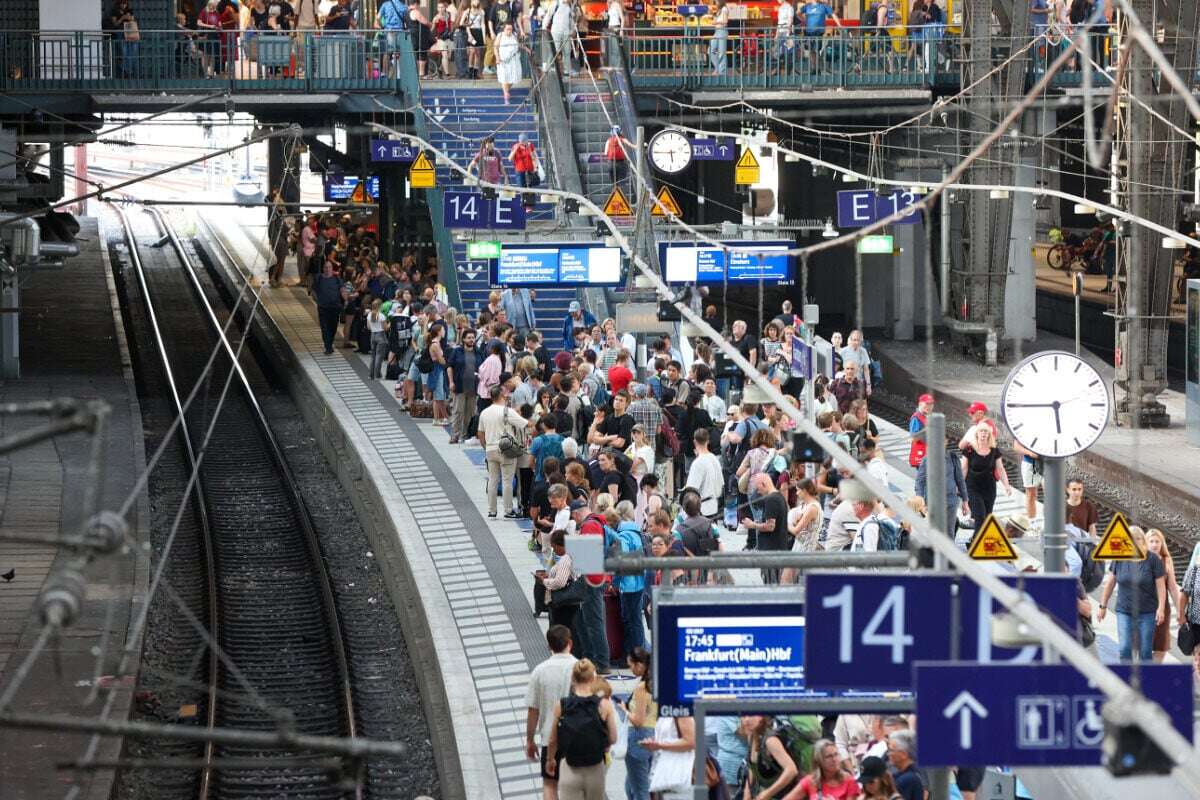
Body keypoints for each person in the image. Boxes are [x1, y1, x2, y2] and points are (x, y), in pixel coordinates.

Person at [545, 659, 619, 798]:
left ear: (573, 679)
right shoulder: (604, 705)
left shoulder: (562, 705)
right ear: (593, 678)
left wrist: (550, 760)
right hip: (595, 769)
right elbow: (613, 738)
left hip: (570, 768)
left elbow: (552, 740)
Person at [1099, 526, 1168, 662]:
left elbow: (1161, 586)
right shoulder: (1119, 558)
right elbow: (1110, 583)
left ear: (1142, 541)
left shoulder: (1153, 560)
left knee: (1145, 650)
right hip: (1124, 610)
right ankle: (1125, 679)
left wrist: (1161, 608)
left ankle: (1146, 680)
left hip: (1147, 611)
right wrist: (1102, 606)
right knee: (1125, 647)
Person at [525, 624, 577, 800]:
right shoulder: (581, 668)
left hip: (549, 738)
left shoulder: (539, 671)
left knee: (549, 785)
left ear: (549, 646)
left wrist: (530, 740)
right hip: (577, 738)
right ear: (570, 643)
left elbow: (533, 710)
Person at [478, 385, 529, 518]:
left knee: (492, 480)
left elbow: (480, 433)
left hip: (490, 449)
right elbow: (525, 424)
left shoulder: (484, 412)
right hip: (506, 449)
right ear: (502, 396)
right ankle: (508, 510)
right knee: (507, 480)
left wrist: (486, 447)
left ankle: (492, 510)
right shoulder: (507, 411)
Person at [619, 647, 657, 800]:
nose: (631, 669)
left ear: (640, 665)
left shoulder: (643, 688)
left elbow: (638, 721)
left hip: (638, 738)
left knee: (640, 790)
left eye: (631, 666)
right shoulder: (656, 683)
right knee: (632, 785)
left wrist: (625, 710)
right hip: (653, 734)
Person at [961, 424, 1011, 532]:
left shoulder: (994, 451)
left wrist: (1006, 485)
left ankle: (976, 541)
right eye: (981, 431)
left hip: (989, 488)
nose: (984, 434)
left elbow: (1000, 469)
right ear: (977, 434)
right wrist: (959, 486)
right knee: (979, 516)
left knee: (987, 517)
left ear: (989, 435)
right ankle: (976, 542)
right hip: (972, 487)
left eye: (986, 432)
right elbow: (964, 469)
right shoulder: (969, 450)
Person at [742, 473, 789, 584]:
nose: (758, 492)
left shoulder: (771, 500)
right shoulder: (778, 496)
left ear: (764, 484)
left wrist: (752, 525)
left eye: (758, 489)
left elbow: (770, 526)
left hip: (771, 551)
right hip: (777, 548)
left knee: (771, 583)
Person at [744, 715, 800, 799]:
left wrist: (767, 793)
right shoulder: (751, 736)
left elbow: (792, 770)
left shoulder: (771, 741)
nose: (747, 720)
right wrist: (747, 794)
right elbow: (752, 767)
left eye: (752, 715)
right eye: (744, 716)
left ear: (762, 717)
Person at [786, 738, 861, 799]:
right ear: (819, 760)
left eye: (836, 754)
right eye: (829, 756)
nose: (834, 759)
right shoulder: (810, 781)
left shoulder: (849, 780)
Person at [1177, 543, 1200, 683]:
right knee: (1198, 656)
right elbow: (1184, 593)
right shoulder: (1195, 570)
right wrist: (1181, 616)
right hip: (1196, 622)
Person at [313, 261, 345, 355]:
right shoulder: (319, 278)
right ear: (323, 268)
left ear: (332, 269)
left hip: (335, 307)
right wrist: (318, 301)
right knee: (324, 327)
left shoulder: (337, 279)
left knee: (333, 327)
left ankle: (329, 343)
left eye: (329, 267)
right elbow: (313, 290)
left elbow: (342, 290)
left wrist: (346, 299)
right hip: (323, 308)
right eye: (326, 267)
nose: (327, 269)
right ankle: (328, 346)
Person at [886, 731, 924, 800]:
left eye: (891, 750)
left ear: (904, 754)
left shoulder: (906, 780)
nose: (888, 754)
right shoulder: (917, 772)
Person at [494, 21, 522, 103]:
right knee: (504, 77)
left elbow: (518, 44)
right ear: (504, 29)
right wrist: (497, 57)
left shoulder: (514, 35)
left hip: (514, 60)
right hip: (503, 60)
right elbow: (495, 48)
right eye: (508, 29)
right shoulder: (500, 35)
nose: (509, 31)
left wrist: (526, 49)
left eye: (511, 29)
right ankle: (506, 94)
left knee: (513, 79)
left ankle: (506, 91)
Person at [510, 133, 541, 205]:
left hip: (529, 170)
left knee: (530, 186)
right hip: (520, 170)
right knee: (522, 186)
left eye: (525, 141)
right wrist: (515, 149)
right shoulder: (515, 146)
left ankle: (530, 202)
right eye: (523, 141)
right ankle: (524, 201)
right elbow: (510, 158)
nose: (524, 143)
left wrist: (536, 167)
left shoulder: (530, 146)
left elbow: (535, 157)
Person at [907, 393, 933, 467]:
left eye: (931, 404)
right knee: (923, 477)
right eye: (927, 404)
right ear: (920, 404)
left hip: (927, 453)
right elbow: (914, 437)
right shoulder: (916, 418)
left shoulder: (927, 416)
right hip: (921, 453)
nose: (929, 406)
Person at [709, 0, 730, 73]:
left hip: (722, 31)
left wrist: (716, 22)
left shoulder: (724, 9)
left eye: (716, 1)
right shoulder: (720, 10)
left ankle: (722, 72)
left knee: (722, 52)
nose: (716, 3)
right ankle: (718, 68)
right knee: (710, 50)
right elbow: (716, 20)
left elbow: (725, 21)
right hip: (717, 31)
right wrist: (712, 14)